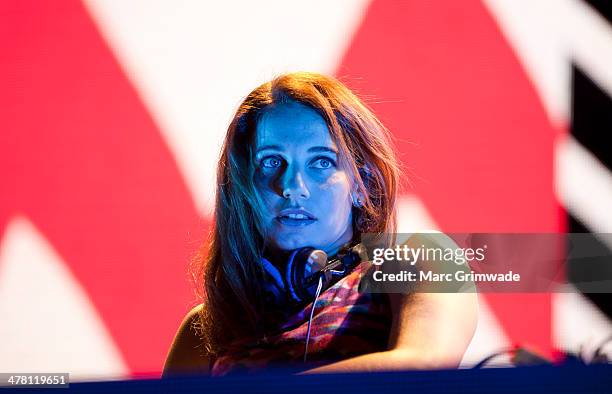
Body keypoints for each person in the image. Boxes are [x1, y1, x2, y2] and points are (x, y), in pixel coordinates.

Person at [163, 72, 477, 377]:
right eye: (271, 161)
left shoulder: (425, 258)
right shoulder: (204, 331)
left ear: (360, 184)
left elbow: (423, 367)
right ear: (243, 187)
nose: (292, 185)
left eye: (322, 162)